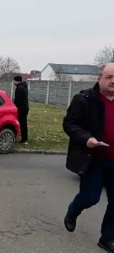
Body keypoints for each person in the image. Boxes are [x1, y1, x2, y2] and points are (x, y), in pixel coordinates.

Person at [63, 63, 114, 252]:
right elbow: (70, 124)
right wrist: (86, 139)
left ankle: (107, 238)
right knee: (91, 197)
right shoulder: (84, 99)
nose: (113, 81)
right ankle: (73, 211)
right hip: (93, 159)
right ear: (99, 78)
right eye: (109, 76)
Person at [13, 75, 29, 144]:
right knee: (24, 123)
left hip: (21, 108)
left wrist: (13, 105)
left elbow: (18, 99)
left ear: (17, 81)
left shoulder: (19, 88)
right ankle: (24, 138)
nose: (13, 82)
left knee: (22, 124)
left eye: (14, 81)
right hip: (25, 107)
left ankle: (24, 139)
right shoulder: (24, 87)